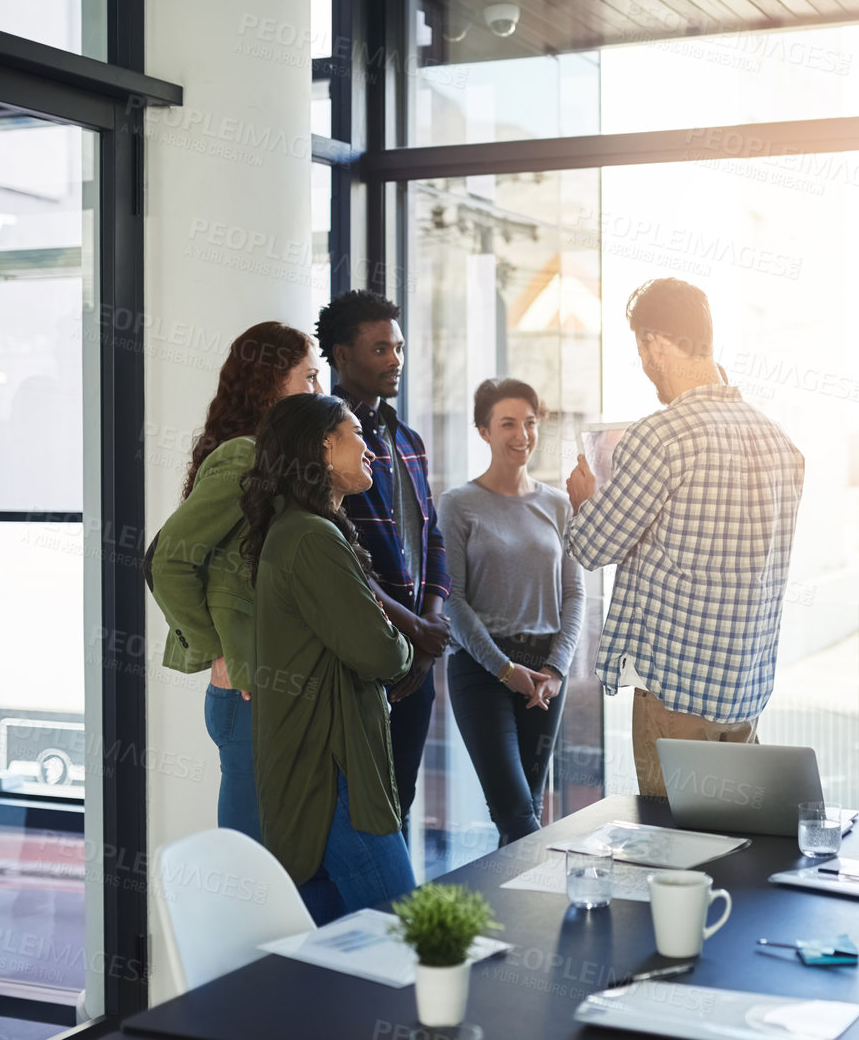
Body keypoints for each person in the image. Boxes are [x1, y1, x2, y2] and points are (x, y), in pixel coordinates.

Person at [566, 278, 806, 797]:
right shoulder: (781, 442)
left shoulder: (661, 435)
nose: (646, 365)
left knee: (673, 846)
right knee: (735, 846)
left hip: (675, 695)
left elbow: (590, 546)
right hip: (743, 688)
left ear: (654, 343)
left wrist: (585, 499)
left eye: (642, 350)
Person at [240, 392, 415, 921]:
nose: (371, 448)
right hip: (335, 772)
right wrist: (400, 640)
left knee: (332, 962)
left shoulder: (298, 529)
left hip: (316, 770)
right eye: (356, 433)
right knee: (406, 935)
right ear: (322, 448)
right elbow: (384, 655)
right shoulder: (311, 538)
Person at [149, 322, 322, 839]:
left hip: (275, 690)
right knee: (251, 861)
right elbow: (168, 562)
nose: (318, 391)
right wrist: (217, 652)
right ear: (273, 384)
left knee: (283, 856)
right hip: (248, 696)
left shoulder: (275, 458)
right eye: (309, 378)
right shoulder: (244, 456)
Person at [316, 290, 451, 825]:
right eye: (380, 349)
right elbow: (334, 548)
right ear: (342, 355)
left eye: (397, 348)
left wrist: (431, 625)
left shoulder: (407, 439)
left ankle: (390, 909)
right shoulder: (323, 437)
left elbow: (431, 536)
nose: (395, 360)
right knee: (355, 813)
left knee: (401, 804)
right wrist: (412, 627)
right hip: (362, 656)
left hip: (418, 658)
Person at [440, 379, 585, 846]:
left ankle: (514, 917)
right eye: (507, 424)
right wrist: (503, 669)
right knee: (517, 814)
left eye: (529, 422)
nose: (522, 434)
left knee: (525, 814)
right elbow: (452, 599)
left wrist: (556, 669)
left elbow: (575, 595)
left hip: (544, 675)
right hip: (483, 670)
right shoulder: (458, 504)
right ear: (483, 430)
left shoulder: (558, 504)